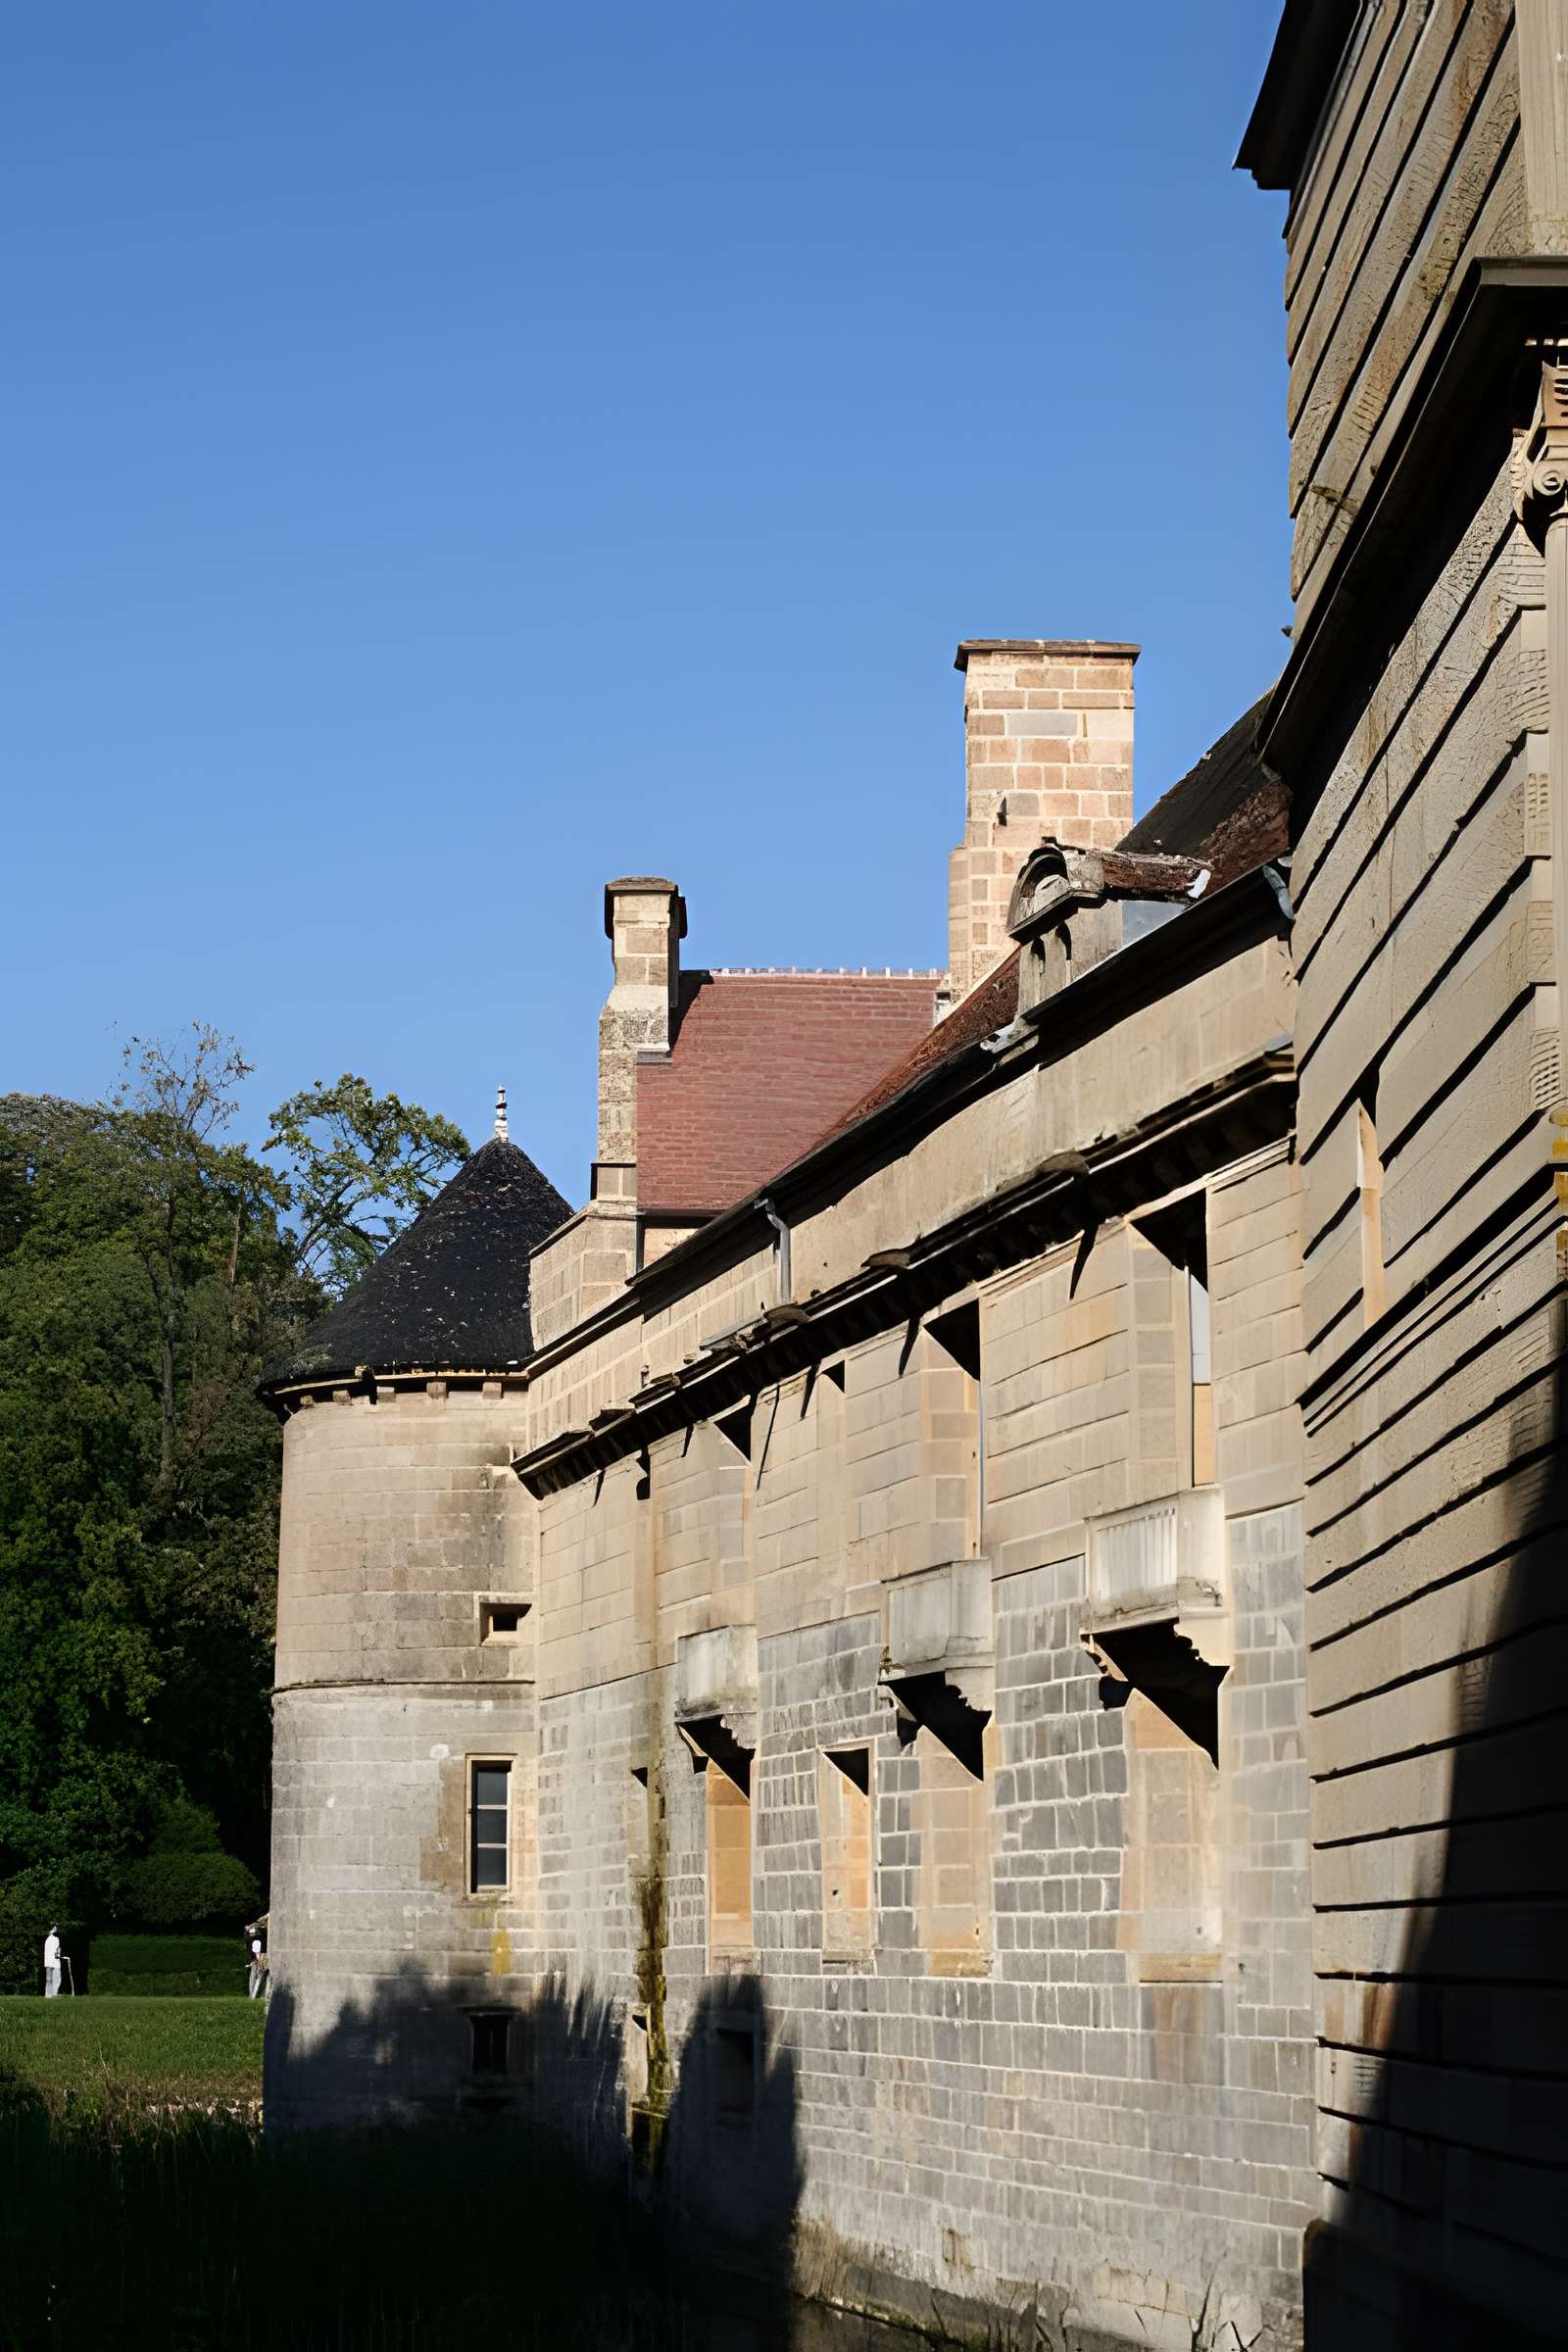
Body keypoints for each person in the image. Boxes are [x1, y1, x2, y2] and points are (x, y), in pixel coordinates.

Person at [247, 1926, 266, 2000]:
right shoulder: (255, 1941)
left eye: (253, 1934)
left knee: (255, 1977)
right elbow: (256, 1953)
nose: (252, 1935)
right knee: (255, 1977)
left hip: (257, 1961)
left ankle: (253, 1995)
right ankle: (253, 1995)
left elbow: (258, 1952)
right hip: (256, 1961)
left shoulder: (256, 1940)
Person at [42, 1926, 61, 1999]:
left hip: (52, 1961)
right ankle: (50, 1995)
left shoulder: (52, 1940)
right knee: (52, 1979)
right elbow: (57, 1949)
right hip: (51, 1961)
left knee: (51, 1979)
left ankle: (51, 1994)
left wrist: (58, 1954)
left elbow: (57, 1949)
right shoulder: (51, 1939)